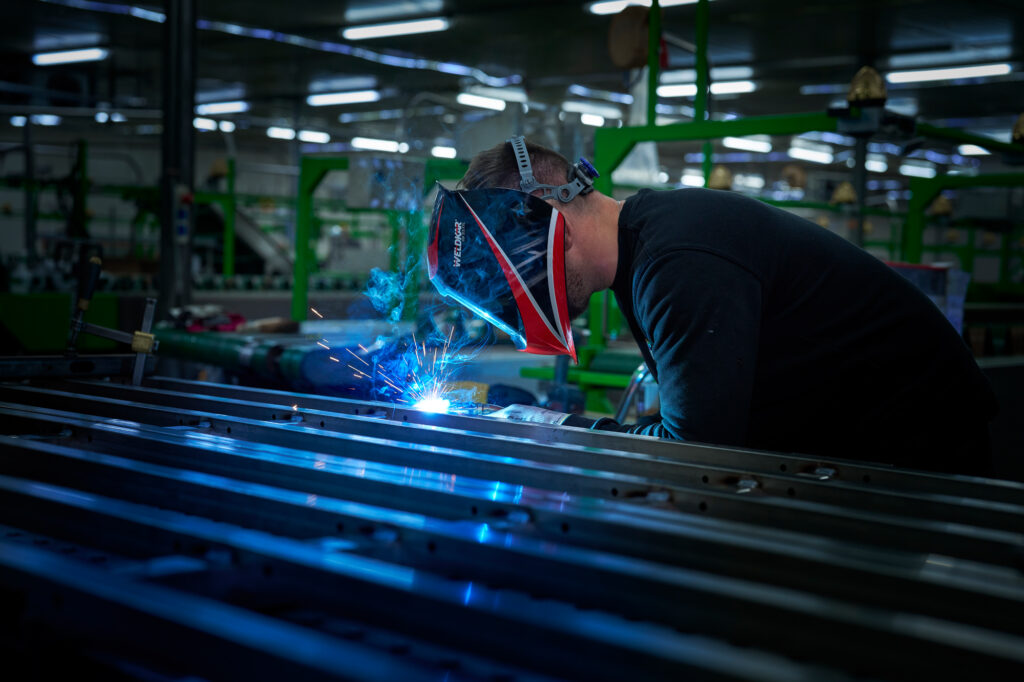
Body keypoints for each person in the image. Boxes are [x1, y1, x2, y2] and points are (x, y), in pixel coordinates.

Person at [427, 136, 998, 474]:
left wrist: (556, 427)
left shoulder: (677, 261)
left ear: (552, 229)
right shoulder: (650, 247)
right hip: (863, 448)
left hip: (927, 458)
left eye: (512, 277)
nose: (518, 296)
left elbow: (695, 455)